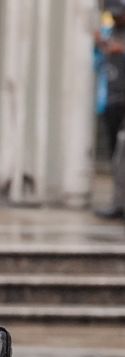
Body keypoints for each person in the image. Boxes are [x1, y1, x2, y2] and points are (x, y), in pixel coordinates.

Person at [95, 1, 125, 219]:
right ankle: (118, 203)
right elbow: (97, 63)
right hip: (112, 100)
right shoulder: (110, 32)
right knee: (116, 157)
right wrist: (100, 47)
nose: (116, 18)